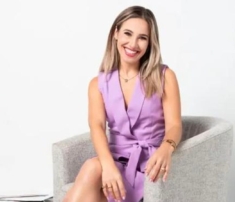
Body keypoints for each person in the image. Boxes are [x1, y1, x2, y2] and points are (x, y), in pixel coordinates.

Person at [63, 5, 182, 202]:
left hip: (148, 163)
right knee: (94, 167)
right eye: (128, 33)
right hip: (114, 162)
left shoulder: (164, 76)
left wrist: (166, 148)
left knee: (92, 173)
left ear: (150, 43)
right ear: (116, 33)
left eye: (142, 38)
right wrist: (108, 166)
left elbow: (175, 125)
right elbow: (97, 127)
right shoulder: (98, 84)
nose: (133, 44)